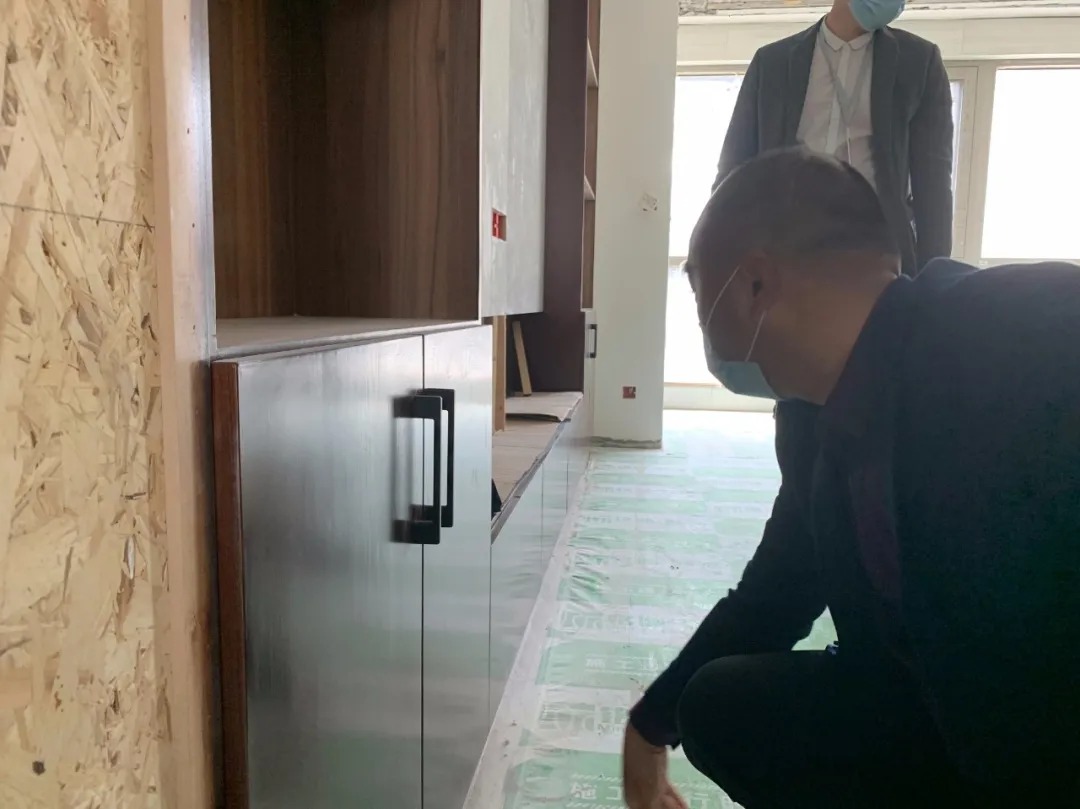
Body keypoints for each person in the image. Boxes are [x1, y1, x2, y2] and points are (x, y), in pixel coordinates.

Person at [622, 148, 1080, 808]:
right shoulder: (815, 413)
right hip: (947, 709)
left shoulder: (1031, 334)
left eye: (699, 298)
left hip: (1045, 732)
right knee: (722, 705)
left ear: (755, 286)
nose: (702, 328)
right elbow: (779, 590)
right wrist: (649, 726)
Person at [716, 0, 953, 278]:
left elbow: (934, 182)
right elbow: (734, 167)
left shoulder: (918, 61)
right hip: (787, 250)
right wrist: (722, 257)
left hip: (877, 256)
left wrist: (935, 280)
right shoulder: (772, 62)